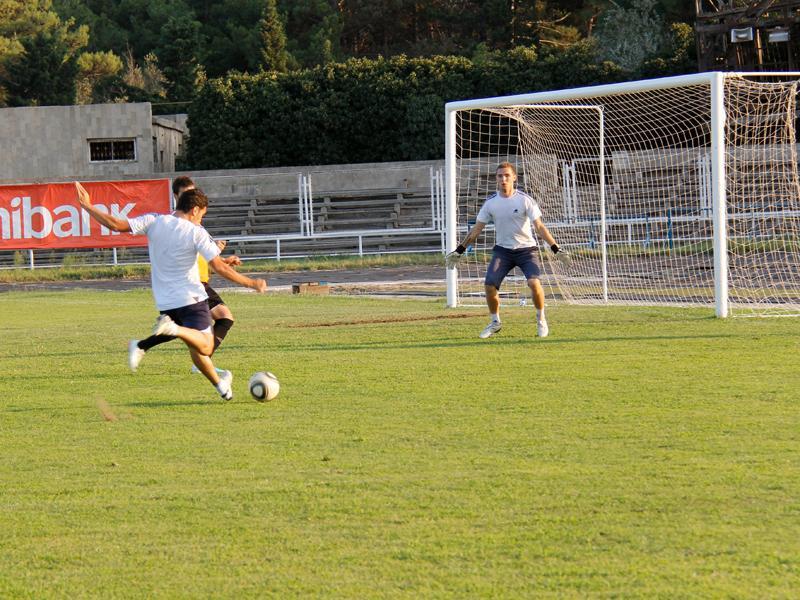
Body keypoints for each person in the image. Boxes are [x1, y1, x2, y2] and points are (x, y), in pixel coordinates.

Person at [74, 181, 267, 400]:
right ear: (195, 210)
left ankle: (220, 386)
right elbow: (218, 267)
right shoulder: (195, 232)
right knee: (206, 345)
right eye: (201, 215)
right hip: (191, 298)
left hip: (165, 302)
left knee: (195, 346)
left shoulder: (154, 220)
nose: (200, 220)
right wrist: (251, 283)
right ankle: (173, 329)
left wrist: (88, 206)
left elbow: (116, 224)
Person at [128, 176, 241, 374]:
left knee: (180, 326)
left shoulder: (196, 224)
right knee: (222, 318)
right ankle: (202, 362)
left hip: (199, 282)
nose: (191, 197)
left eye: (192, 192)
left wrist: (223, 260)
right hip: (191, 285)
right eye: (185, 193)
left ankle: (142, 346)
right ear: (175, 196)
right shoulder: (172, 224)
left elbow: (205, 256)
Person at [446, 162, 569, 339]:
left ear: (514, 178)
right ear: (496, 179)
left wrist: (556, 249)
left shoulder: (525, 200)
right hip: (503, 251)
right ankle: (495, 322)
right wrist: (459, 250)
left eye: (507, 175)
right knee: (489, 285)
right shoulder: (490, 203)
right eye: (500, 176)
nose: (503, 179)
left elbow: (540, 227)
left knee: (534, 283)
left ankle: (541, 319)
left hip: (526, 250)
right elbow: (476, 230)